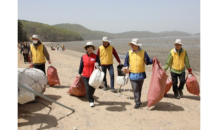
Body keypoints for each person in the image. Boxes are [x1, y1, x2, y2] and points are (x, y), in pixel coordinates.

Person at [122, 38, 153, 109]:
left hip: (141, 74)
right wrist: (125, 67)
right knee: (135, 88)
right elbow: (126, 63)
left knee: (139, 89)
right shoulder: (129, 53)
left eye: (133, 45)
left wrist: (154, 60)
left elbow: (148, 62)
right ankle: (137, 102)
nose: (132, 46)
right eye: (131, 44)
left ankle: (138, 100)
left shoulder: (143, 52)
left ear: (137, 45)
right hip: (132, 74)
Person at [78, 41, 101, 107]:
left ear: (93, 49)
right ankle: (91, 101)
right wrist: (79, 73)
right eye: (88, 48)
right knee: (88, 88)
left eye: (91, 48)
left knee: (92, 88)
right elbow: (81, 66)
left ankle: (90, 94)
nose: (90, 49)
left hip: (93, 75)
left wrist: (98, 65)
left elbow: (99, 65)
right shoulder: (83, 57)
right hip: (85, 76)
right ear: (86, 49)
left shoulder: (96, 56)